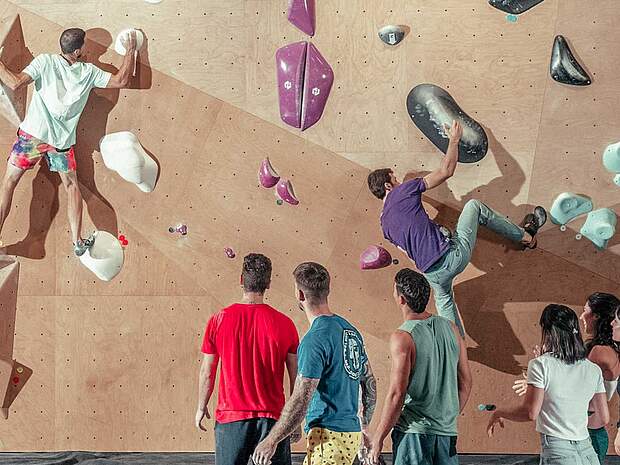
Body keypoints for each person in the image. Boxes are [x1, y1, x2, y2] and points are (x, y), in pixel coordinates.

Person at [367, 121, 547, 336]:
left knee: (446, 305)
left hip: (432, 275)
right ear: (388, 185)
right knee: (474, 206)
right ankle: (527, 237)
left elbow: (409, 246)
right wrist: (454, 140)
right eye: (394, 179)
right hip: (453, 256)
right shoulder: (404, 190)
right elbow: (446, 171)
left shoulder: (384, 226)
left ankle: (458, 347)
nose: (398, 181)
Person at [0, 28, 137, 256]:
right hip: (60, 144)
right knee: (72, 186)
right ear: (77, 51)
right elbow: (121, 80)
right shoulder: (89, 72)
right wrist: (131, 51)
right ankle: (77, 241)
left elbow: (14, 83)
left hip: (32, 137)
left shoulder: (45, 61)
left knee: (8, 183)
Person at [252, 262, 376, 465]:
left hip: (327, 438)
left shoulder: (314, 340)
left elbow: (301, 398)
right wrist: (364, 426)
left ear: (300, 294)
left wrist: (271, 440)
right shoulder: (350, 331)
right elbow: (369, 383)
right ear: (327, 291)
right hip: (350, 436)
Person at [195, 253, 300, 465]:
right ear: (268, 284)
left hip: (231, 419)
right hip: (273, 421)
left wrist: (201, 406)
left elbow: (207, 372)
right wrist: (294, 420)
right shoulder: (285, 324)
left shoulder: (218, 320)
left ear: (241, 280)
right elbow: (296, 376)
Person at [367, 268, 472, 465]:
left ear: (401, 299)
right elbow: (466, 382)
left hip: (413, 435)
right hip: (446, 435)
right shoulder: (452, 329)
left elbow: (397, 394)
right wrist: (445, 419)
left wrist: (378, 438)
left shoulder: (403, 337)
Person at [488, 304, 609, 465]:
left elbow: (530, 413)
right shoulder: (593, 369)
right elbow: (603, 417)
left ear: (548, 331)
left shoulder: (540, 364)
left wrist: (498, 413)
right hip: (588, 452)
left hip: (559, 451)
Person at [512, 293, 620, 463]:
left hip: (584, 434)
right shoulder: (600, 349)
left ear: (596, 316)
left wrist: (541, 379)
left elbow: (571, 384)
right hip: (584, 433)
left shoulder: (599, 352)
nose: (582, 316)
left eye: (585, 311)